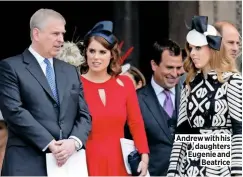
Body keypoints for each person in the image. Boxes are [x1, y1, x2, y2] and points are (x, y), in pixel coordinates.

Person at [0, 9, 92, 176]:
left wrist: (74, 142)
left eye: (62, 34)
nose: (61, 40)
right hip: (26, 163)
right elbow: (13, 111)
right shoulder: (11, 67)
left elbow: (84, 114)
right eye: (55, 34)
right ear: (36, 34)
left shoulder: (70, 71)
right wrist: (49, 143)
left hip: (68, 164)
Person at [167, 16, 242, 177]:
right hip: (191, 165)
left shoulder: (233, 80)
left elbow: (239, 130)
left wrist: (237, 171)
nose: (192, 53)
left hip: (222, 165)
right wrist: (172, 172)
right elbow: (182, 132)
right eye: (191, 48)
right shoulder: (189, 83)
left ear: (212, 47)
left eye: (198, 48)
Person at [80, 21, 149, 176]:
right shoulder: (75, 85)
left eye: (102, 52)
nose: (96, 57)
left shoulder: (125, 84)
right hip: (86, 161)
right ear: (86, 53)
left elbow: (135, 122)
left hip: (120, 162)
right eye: (92, 51)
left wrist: (144, 154)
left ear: (112, 54)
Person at [137, 39, 184, 176]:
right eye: (169, 67)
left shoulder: (192, 95)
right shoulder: (136, 99)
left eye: (178, 68)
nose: (175, 74)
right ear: (154, 65)